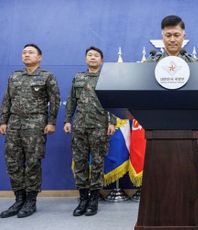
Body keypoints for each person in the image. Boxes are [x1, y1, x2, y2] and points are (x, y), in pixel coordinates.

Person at [0, 44, 60, 218]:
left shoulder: (47, 76)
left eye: (31, 52)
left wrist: (51, 122)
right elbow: (7, 99)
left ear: (39, 57)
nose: (26, 55)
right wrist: (3, 120)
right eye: (24, 52)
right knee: (13, 162)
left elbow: (55, 100)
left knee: (32, 162)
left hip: (35, 123)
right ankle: (19, 199)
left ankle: (30, 201)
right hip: (14, 123)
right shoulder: (15, 76)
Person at [64, 46, 116, 216]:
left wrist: (113, 122)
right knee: (79, 163)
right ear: (86, 59)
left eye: (96, 56)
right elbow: (71, 101)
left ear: (101, 60)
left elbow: (112, 102)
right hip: (79, 127)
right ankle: (83, 198)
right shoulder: (78, 78)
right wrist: (67, 120)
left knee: (97, 163)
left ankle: (94, 199)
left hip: (99, 127)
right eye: (90, 55)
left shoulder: (107, 78)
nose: (93, 58)